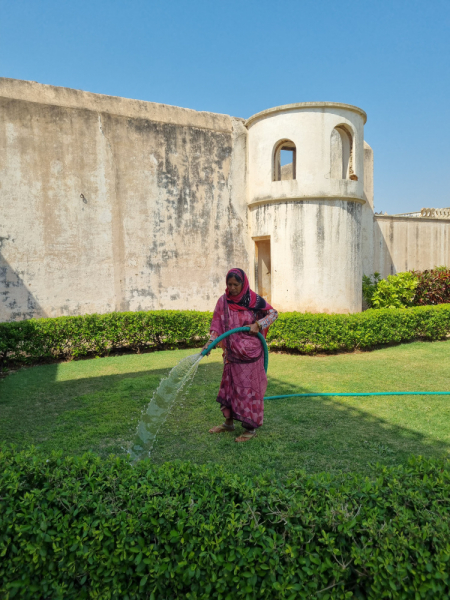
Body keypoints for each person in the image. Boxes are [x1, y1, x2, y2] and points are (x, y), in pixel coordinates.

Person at [203, 268, 278, 442]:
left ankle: (250, 430)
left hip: (250, 356)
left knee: (247, 392)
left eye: (236, 285)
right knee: (229, 390)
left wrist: (259, 324)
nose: (232, 288)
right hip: (231, 355)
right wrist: (211, 342)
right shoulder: (223, 302)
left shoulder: (253, 300)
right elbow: (217, 326)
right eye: (229, 284)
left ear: (243, 284)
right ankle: (228, 423)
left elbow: (273, 313)